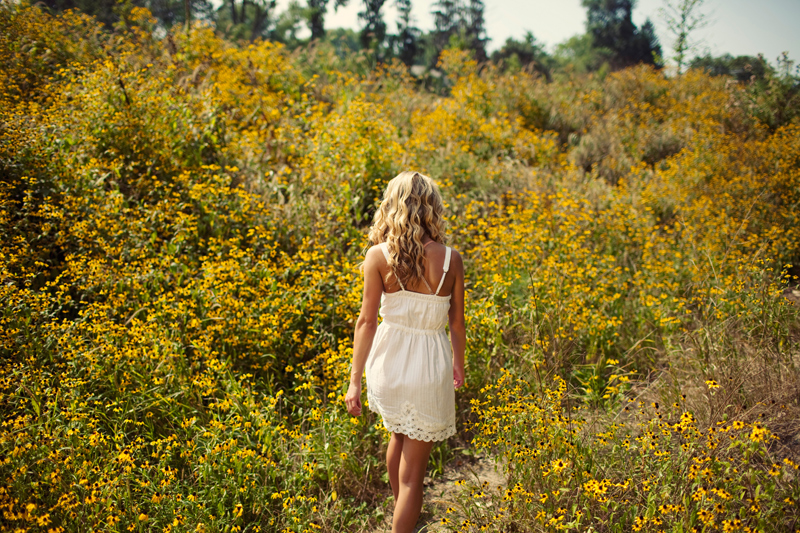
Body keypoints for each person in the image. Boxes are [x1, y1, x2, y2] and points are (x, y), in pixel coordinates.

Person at [345, 171, 466, 533]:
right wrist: (458, 364)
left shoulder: (378, 257)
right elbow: (457, 324)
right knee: (414, 477)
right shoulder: (451, 260)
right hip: (429, 366)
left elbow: (366, 322)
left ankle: (403, 516)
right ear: (432, 208)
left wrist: (354, 382)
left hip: (388, 364)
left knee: (396, 436)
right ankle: (406, 520)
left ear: (392, 205)